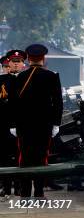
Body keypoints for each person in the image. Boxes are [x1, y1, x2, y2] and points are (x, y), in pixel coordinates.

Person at [8, 44, 62, 199]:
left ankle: (25, 194)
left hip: (24, 126)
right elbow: (58, 102)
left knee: (24, 157)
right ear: (43, 59)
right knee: (41, 157)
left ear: (29, 59)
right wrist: (56, 123)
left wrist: (13, 124)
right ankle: (39, 192)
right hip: (44, 125)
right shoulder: (52, 76)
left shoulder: (20, 77)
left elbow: (13, 103)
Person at [0, 55, 17, 200]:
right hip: (3, 126)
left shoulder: (18, 80)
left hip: (16, 125)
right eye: (5, 66)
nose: (7, 68)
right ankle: (5, 188)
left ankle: (16, 188)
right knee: (4, 158)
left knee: (17, 157)